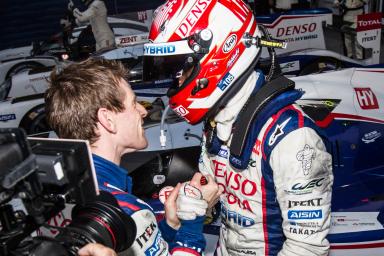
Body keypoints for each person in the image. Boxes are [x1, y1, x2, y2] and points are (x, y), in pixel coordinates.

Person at [143, 0, 333, 255]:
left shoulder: (293, 137)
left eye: (182, 69)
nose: (177, 80)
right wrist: (195, 204)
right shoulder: (218, 121)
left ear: (222, 51)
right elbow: (215, 201)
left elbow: (307, 248)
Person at [45, 58, 221, 255]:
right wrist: (193, 218)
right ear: (107, 120)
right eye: (134, 103)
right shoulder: (122, 208)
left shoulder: (61, 193)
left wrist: (170, 226)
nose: (143, 111)